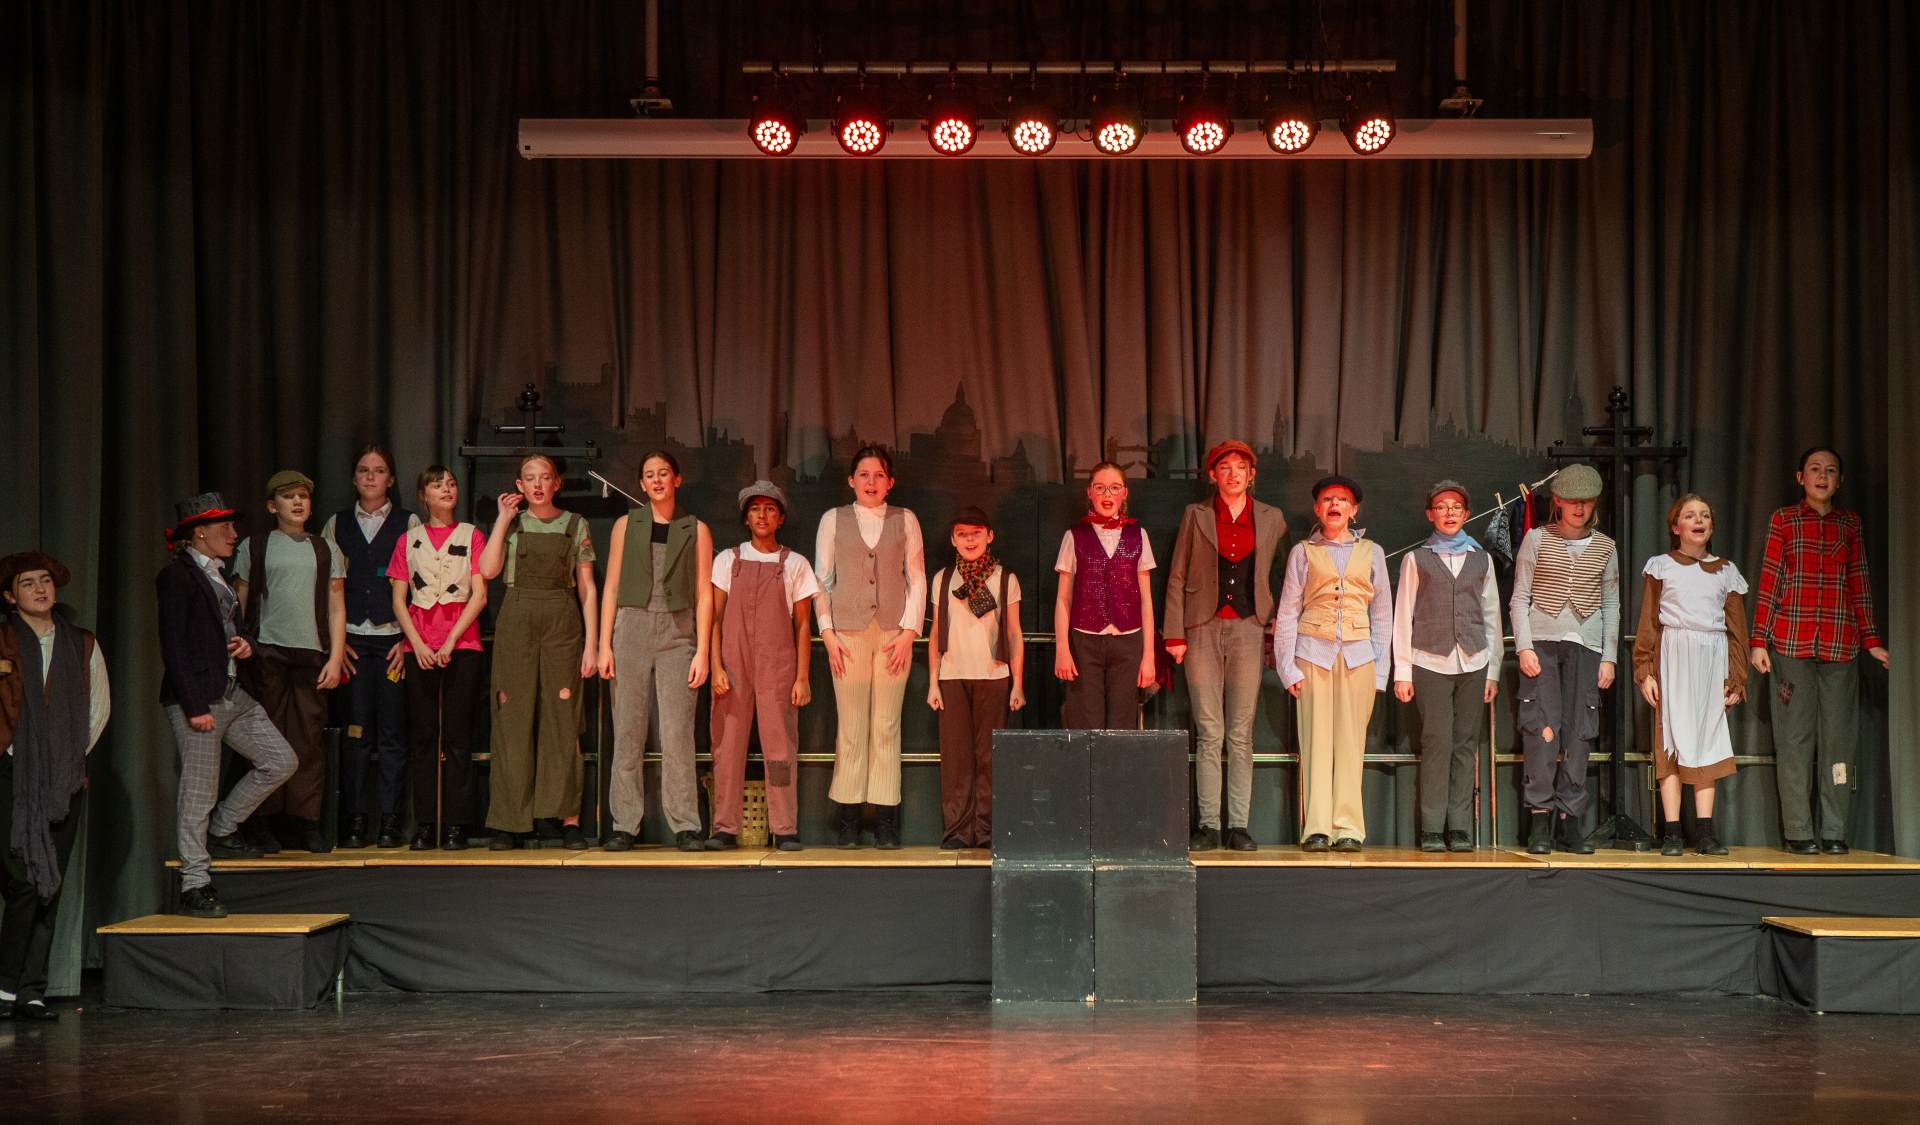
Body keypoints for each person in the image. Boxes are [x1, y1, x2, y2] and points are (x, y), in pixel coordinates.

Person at [156, 493, 298, 918]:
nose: (234, 534)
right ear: (200, 532)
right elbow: (173, 645)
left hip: (233, 691)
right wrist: (193, 704)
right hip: (200, 697)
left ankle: (222, 828)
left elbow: (233, 627)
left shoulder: (217, 575)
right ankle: (194, 882)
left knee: (280, 760)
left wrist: (245, 645)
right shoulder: (177, 577)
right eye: (226, 527)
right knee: (199, 790)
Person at [1749, 447, 1890, 855]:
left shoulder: (1849, 524)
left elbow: (1859, 580)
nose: (1822, 476)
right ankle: (1798, 830)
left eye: (1830, 471)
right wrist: (1759, 640)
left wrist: (1871, 640)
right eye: (1814, 469)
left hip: (1840, 645)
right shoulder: (1785, 520)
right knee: (1795, 739)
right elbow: (1770, 579)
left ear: (1840, 480)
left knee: (1838, 741)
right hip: (1791, 644)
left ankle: (1834, 829)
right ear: (1801, 478)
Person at [1162, 440, 1287, 852]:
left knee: (1241, 731)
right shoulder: (1195, 514)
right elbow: (1177, 575)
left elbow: (1282, 577)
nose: (1233, 474)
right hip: (1201, 627)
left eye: (1240, 468)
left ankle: (1239, 825)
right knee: (1209, 729)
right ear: (1213, 475)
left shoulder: (1272, 518)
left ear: (1251, 476)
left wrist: (1275, 625)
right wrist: (1174, 633)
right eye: (1225, 467)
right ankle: (1209, 824)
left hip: (1249, 627)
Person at [0, 552, 109, 1021]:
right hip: (11, 773)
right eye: (28, 583)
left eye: (45, 580)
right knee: (23, 881)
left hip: (64, 779)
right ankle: (5, 985)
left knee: (50, 885)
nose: (40, 589)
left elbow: (98, 708)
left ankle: (31, 990)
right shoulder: (3, 641)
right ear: (11, 597)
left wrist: (67, 759)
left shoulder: (81, 644)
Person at [478, 453, 598, 850]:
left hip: (562, 619)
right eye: (530, 478)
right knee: (511, 718)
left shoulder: (575, 524)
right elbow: (488, 570)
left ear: (557, 483)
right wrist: (501, 520)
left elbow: (587, 587)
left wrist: (593, 643)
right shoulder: (511, 525)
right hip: (517, 619)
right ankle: (508, 820)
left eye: (545, 477)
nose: (538, 485)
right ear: (519, 485)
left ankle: (566, 818)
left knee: (563, 719)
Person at [598, 451, 713, 852]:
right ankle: (624, 824)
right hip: (631, 626)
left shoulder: (696, 529)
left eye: (664, 473)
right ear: (642, 484)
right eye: (650, 475)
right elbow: (611, 587)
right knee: (627, 730)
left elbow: (704, 593)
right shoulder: (625, 525)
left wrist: (703, 651)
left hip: (678, 630)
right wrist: (604, 645)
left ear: (677, 479)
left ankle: (685, 825)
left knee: (677, 732)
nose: (657, 480)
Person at [1271, 475, 1392, 853]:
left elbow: (1382, 614)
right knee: (1316, 742)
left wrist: (1381, 671)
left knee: (1351, 744)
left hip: (1358, 658)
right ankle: (1317, 827)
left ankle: (1349, 827)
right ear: (1317, 509)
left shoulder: (1372, 551)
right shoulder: (1303, 552)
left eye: (1342, 500)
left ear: (1354, 510)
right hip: (1313, 655)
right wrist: (1287, 666)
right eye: (1327, 499)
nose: (1334, 504)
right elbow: (1288, 611)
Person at [814, 446, 926, 849]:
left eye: (879, 475)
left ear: (890, 482)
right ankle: (848, 819)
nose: (871, 482)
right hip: (847, 635)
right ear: (851, 480)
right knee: (851, 726)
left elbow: (917, 578)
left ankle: (886, 821)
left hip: (894, 634)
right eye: (864, 474)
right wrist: (827, 633)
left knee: (886, 726)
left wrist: (909, 632)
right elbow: (822, 580)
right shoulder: (833, 519)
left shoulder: (905, 519)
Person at [232, 470, 347, 854]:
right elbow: (240, 601)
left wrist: (335, 657)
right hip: (267, 652)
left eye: (303, 496)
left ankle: (306, 820)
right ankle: (262, 821)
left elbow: (336, 606)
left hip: (310, 653)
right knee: (265, 739)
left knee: (308, 740)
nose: (297, 502)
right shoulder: (256, 546)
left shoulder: (325, 548)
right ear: (272, 505)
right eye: (288, 496)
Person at [1510, 464, 1619, 855]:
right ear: (1557, 501)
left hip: (1586, 646)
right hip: (1542, 642)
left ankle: (1569, 819)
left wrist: (1609, 656)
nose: (1579, 508)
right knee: (1542, 728)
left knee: (1580, 731)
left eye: (1586, 502)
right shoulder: (1537, 539)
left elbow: (1611, 603)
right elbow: (1520, 597)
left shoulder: (1605, 547)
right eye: (1572, 501)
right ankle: (1540, 817)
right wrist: (1524, 646)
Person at [1633, 494, 1749, 856]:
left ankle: (1704, 832)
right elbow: (1648, 623)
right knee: (1671, 738)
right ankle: (1672, 832)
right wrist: (1644, 670)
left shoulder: (1726, 571)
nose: (1699, 520)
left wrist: (1737, 677)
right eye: (1690, 515)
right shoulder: (1662, 567)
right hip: (1674, 657)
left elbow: (1737, 631)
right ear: (1675, 526)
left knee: (1707, 738)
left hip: (1711, 659)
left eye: (1705, 515)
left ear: (1712, 525)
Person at [1391, 480, 1501, 853]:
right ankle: (1432, 826)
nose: (1449, 512)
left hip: (1473, 661)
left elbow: (1491, 617)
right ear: (1430, 514)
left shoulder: (1481, 559)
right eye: (1442, 506)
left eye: (1456, 507)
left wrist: (1493, 670)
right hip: (1430, 661)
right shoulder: (1416, 559)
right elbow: (1403, 617)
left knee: (1466, 743)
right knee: (1437, 740)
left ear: (1466, 514)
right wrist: (1403, 672)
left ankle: (1460, 826)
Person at [711, 482, 818, 851]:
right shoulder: (728, 560)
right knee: (728, 745)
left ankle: (785, 827)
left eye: (770, 509)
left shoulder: (796, 564)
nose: (762, 515)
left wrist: (802, 676)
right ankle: (724, 828)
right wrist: (716, 666)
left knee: (780, 747)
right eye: (755, 509)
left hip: (777, 664)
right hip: (733, 663)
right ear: (746, 517)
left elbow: (802, 625)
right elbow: (715, 619)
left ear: (780, 518)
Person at [387, 465, 489, 851]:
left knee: (459, 736)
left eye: (451, 483)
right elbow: (399, 599)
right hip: (420, 646)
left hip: (462, 645)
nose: (446, 489)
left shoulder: (471, 535)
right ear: (423, 495)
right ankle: (427, 823)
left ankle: (457, 824)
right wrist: (417, 643)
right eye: (436, 484)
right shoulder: (408, 540)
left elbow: (479, 595)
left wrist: (450, 640)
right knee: (424, 736)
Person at [321, 445, 417, 848]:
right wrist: (336, 645)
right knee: (356, 733)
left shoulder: (408, 522)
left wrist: (409, 642)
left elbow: (420, 586)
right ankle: (356, 820)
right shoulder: (337, 523)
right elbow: (326, 589)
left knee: (393, 733)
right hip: (353, 642)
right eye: (364, 470)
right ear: (354, 478)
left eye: (379, 471)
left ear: (390, 479)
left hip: (393, 639)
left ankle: (391, 821)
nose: (371, 477)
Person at [926, 507, 1025, 850]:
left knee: (989, 757)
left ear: (989, 536)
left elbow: (1014, 633)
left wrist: (1018, 683)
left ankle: (987, 831)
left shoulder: (1005, 578)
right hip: (953, 675)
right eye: (963, 534)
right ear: (953, 539)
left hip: (993, 675)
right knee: (956, 759)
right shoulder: (943, 579)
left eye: (976, 533)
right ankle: (957, 830)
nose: (970, 540)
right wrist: (933, 682)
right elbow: (935, 633)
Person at [1054, 461, 1157, 731]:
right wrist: (1062, 649)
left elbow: (1146, 600)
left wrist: (1148, 656)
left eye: (1114, 488)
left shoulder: (1138, 535)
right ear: (1090, 492)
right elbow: (1063, 599)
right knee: (1086, 720)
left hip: (1128, 640)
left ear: (1124, 493)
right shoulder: (1074, 535)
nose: (1107, 495)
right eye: (1100, 488)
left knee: (1122, 723)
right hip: (1085, 641)